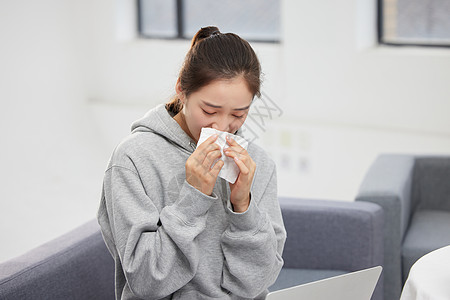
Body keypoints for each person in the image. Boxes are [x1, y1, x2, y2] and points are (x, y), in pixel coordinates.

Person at [97, 26, 287, 300]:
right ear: (182, 91)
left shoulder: (258, 164)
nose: (223, 127)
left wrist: (243, 206)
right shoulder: (133, 160)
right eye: (209, 111)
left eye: (238, 113)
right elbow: (147, 283)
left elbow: (258, 283)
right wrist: (194, 198)